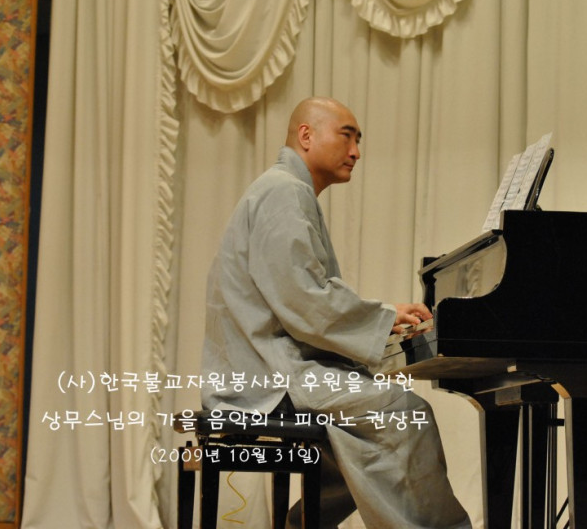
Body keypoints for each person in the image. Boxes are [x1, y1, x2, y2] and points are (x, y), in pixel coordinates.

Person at [202, 97, 471, 528]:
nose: (356, 152)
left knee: (360, 436)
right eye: (347, 136)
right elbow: (304, 302)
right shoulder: (284, 191)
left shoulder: (284, 190)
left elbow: (304, 295)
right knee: (403, 413)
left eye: (358, 141)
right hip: (269, 378)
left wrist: (381, 315)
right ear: (306, 135)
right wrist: (384, 317)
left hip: (268, 367)